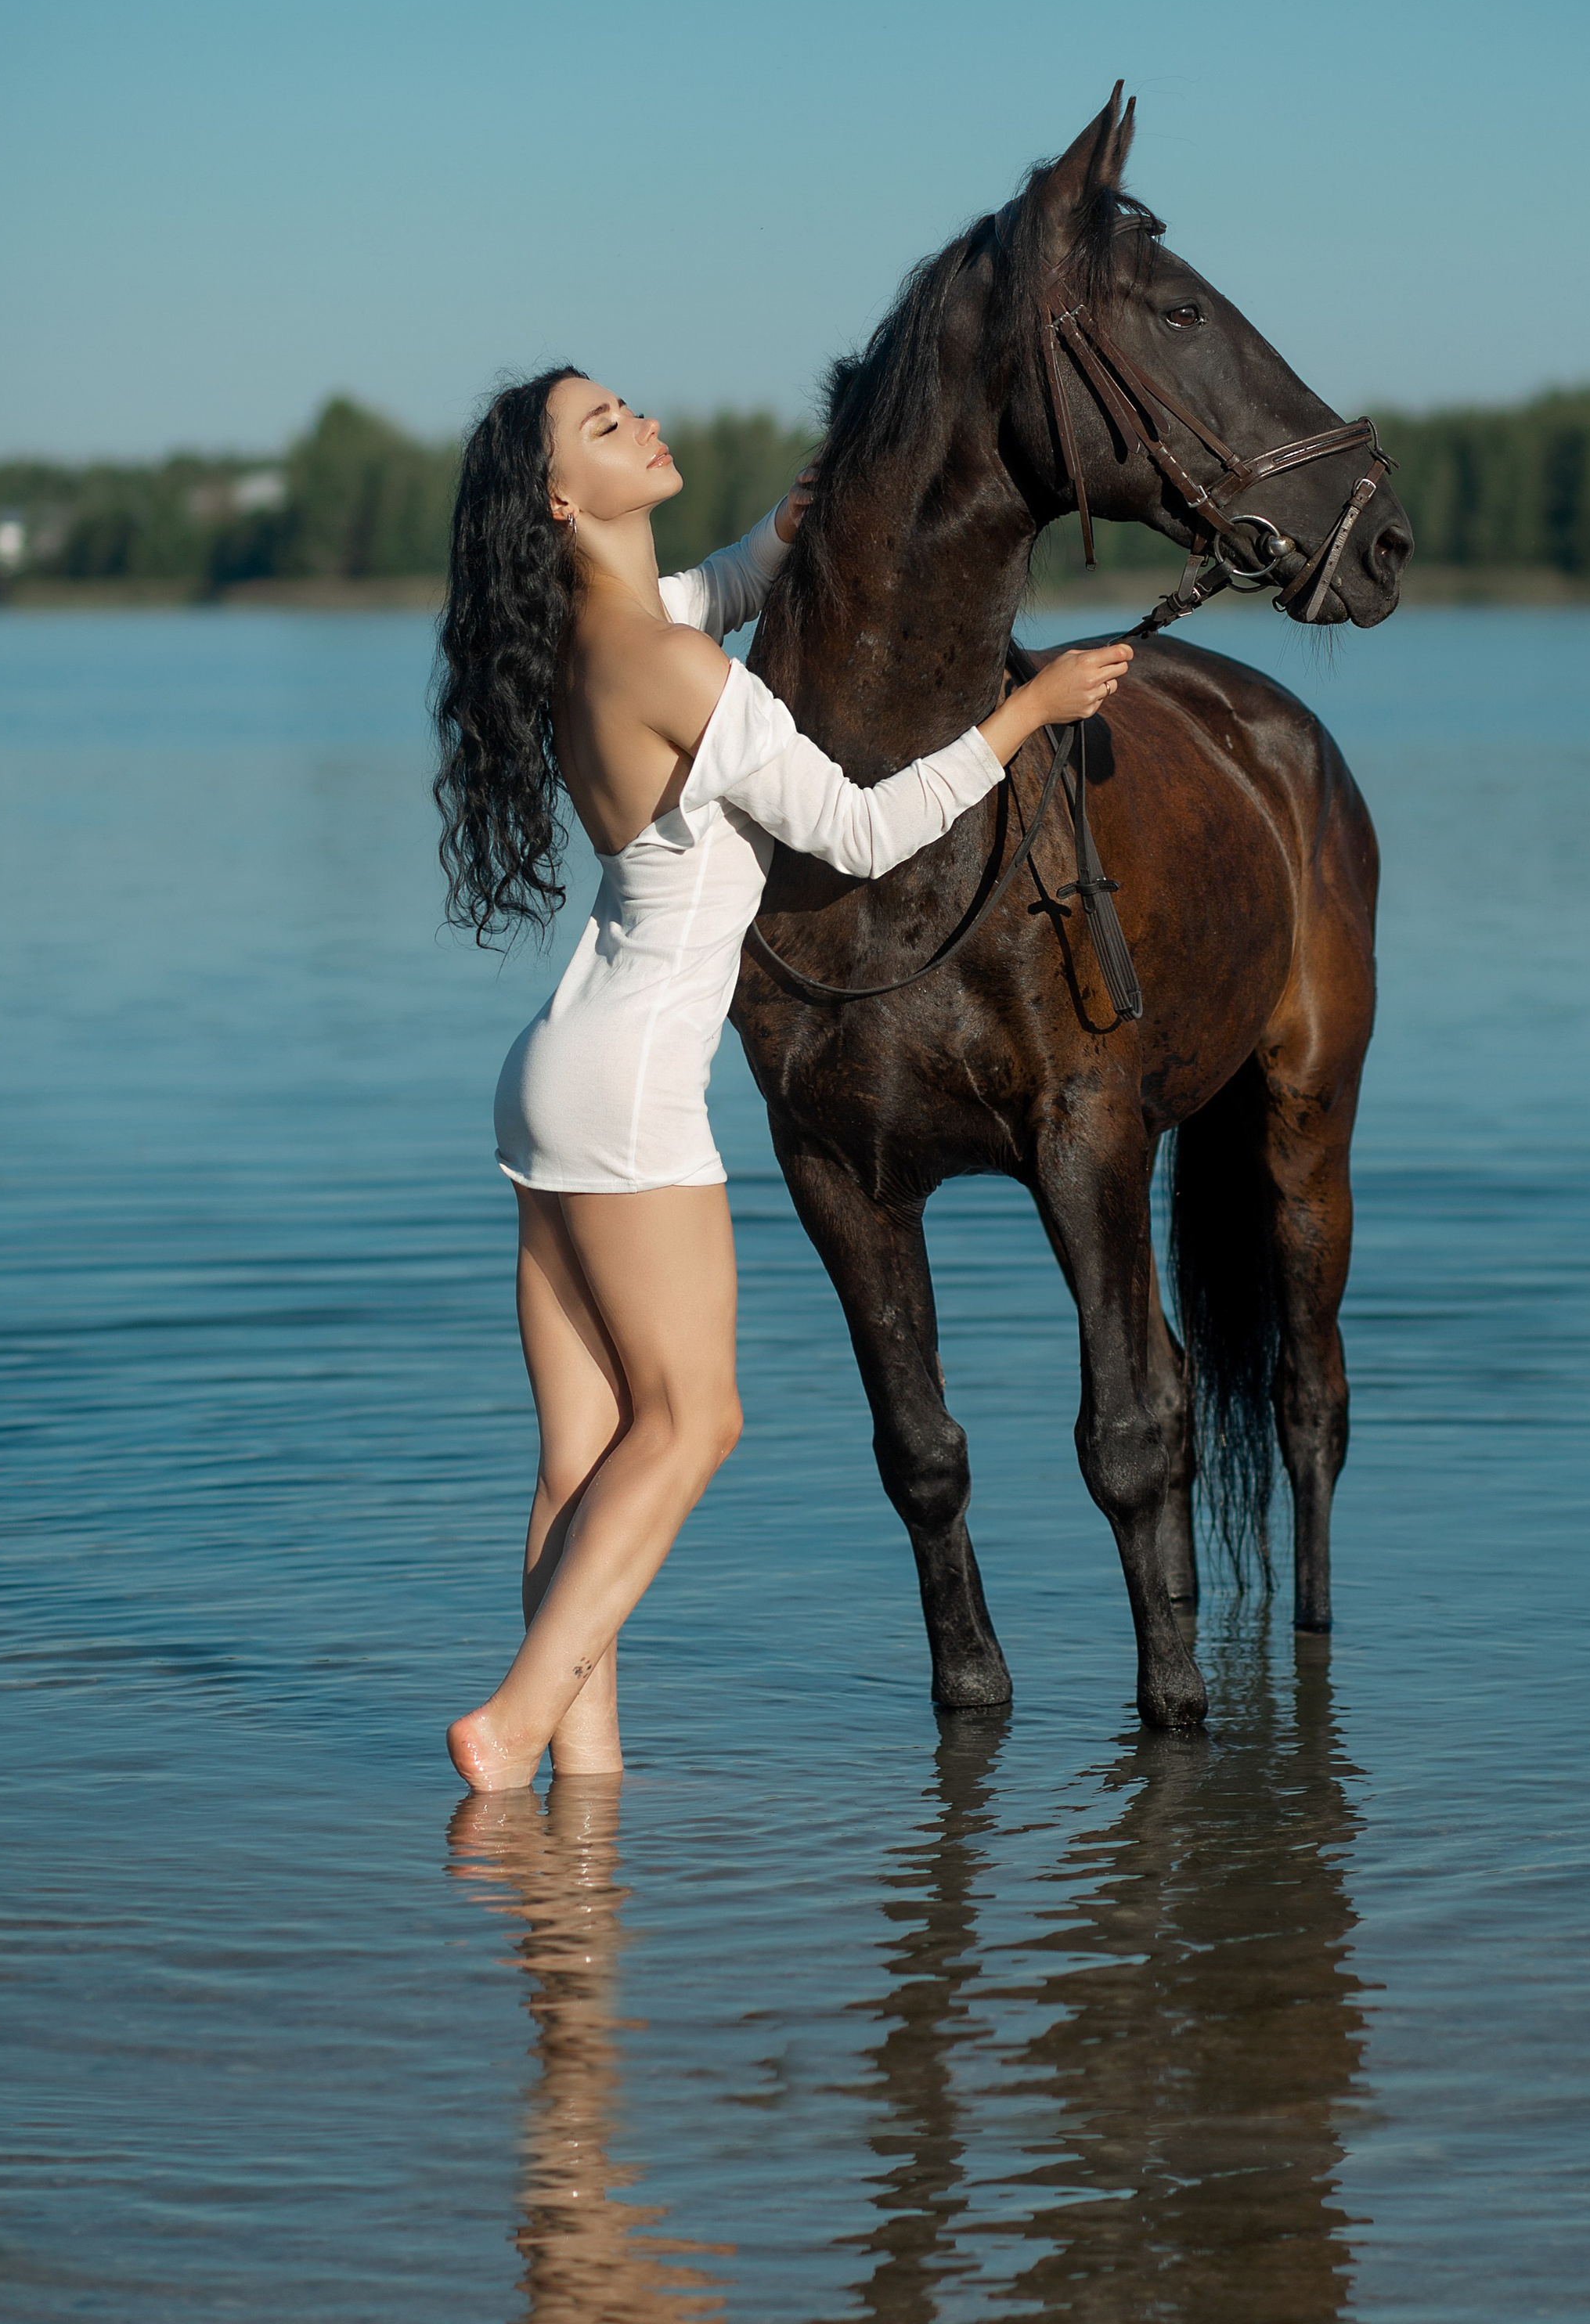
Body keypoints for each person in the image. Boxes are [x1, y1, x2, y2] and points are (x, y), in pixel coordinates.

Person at [432, 366, 1130, 1791]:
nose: (640, 418)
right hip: (629, 1090)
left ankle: (590, 1786)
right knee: (695, 1421)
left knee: (581, 1465)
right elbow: (862, 833)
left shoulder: (588, 640)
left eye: (624, 401)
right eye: (604, 426)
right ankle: (511, 1731)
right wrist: (1026, 714)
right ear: (565, 498)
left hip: (548, 1081)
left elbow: (697, 595)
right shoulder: (685, 672)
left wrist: (771, 545)